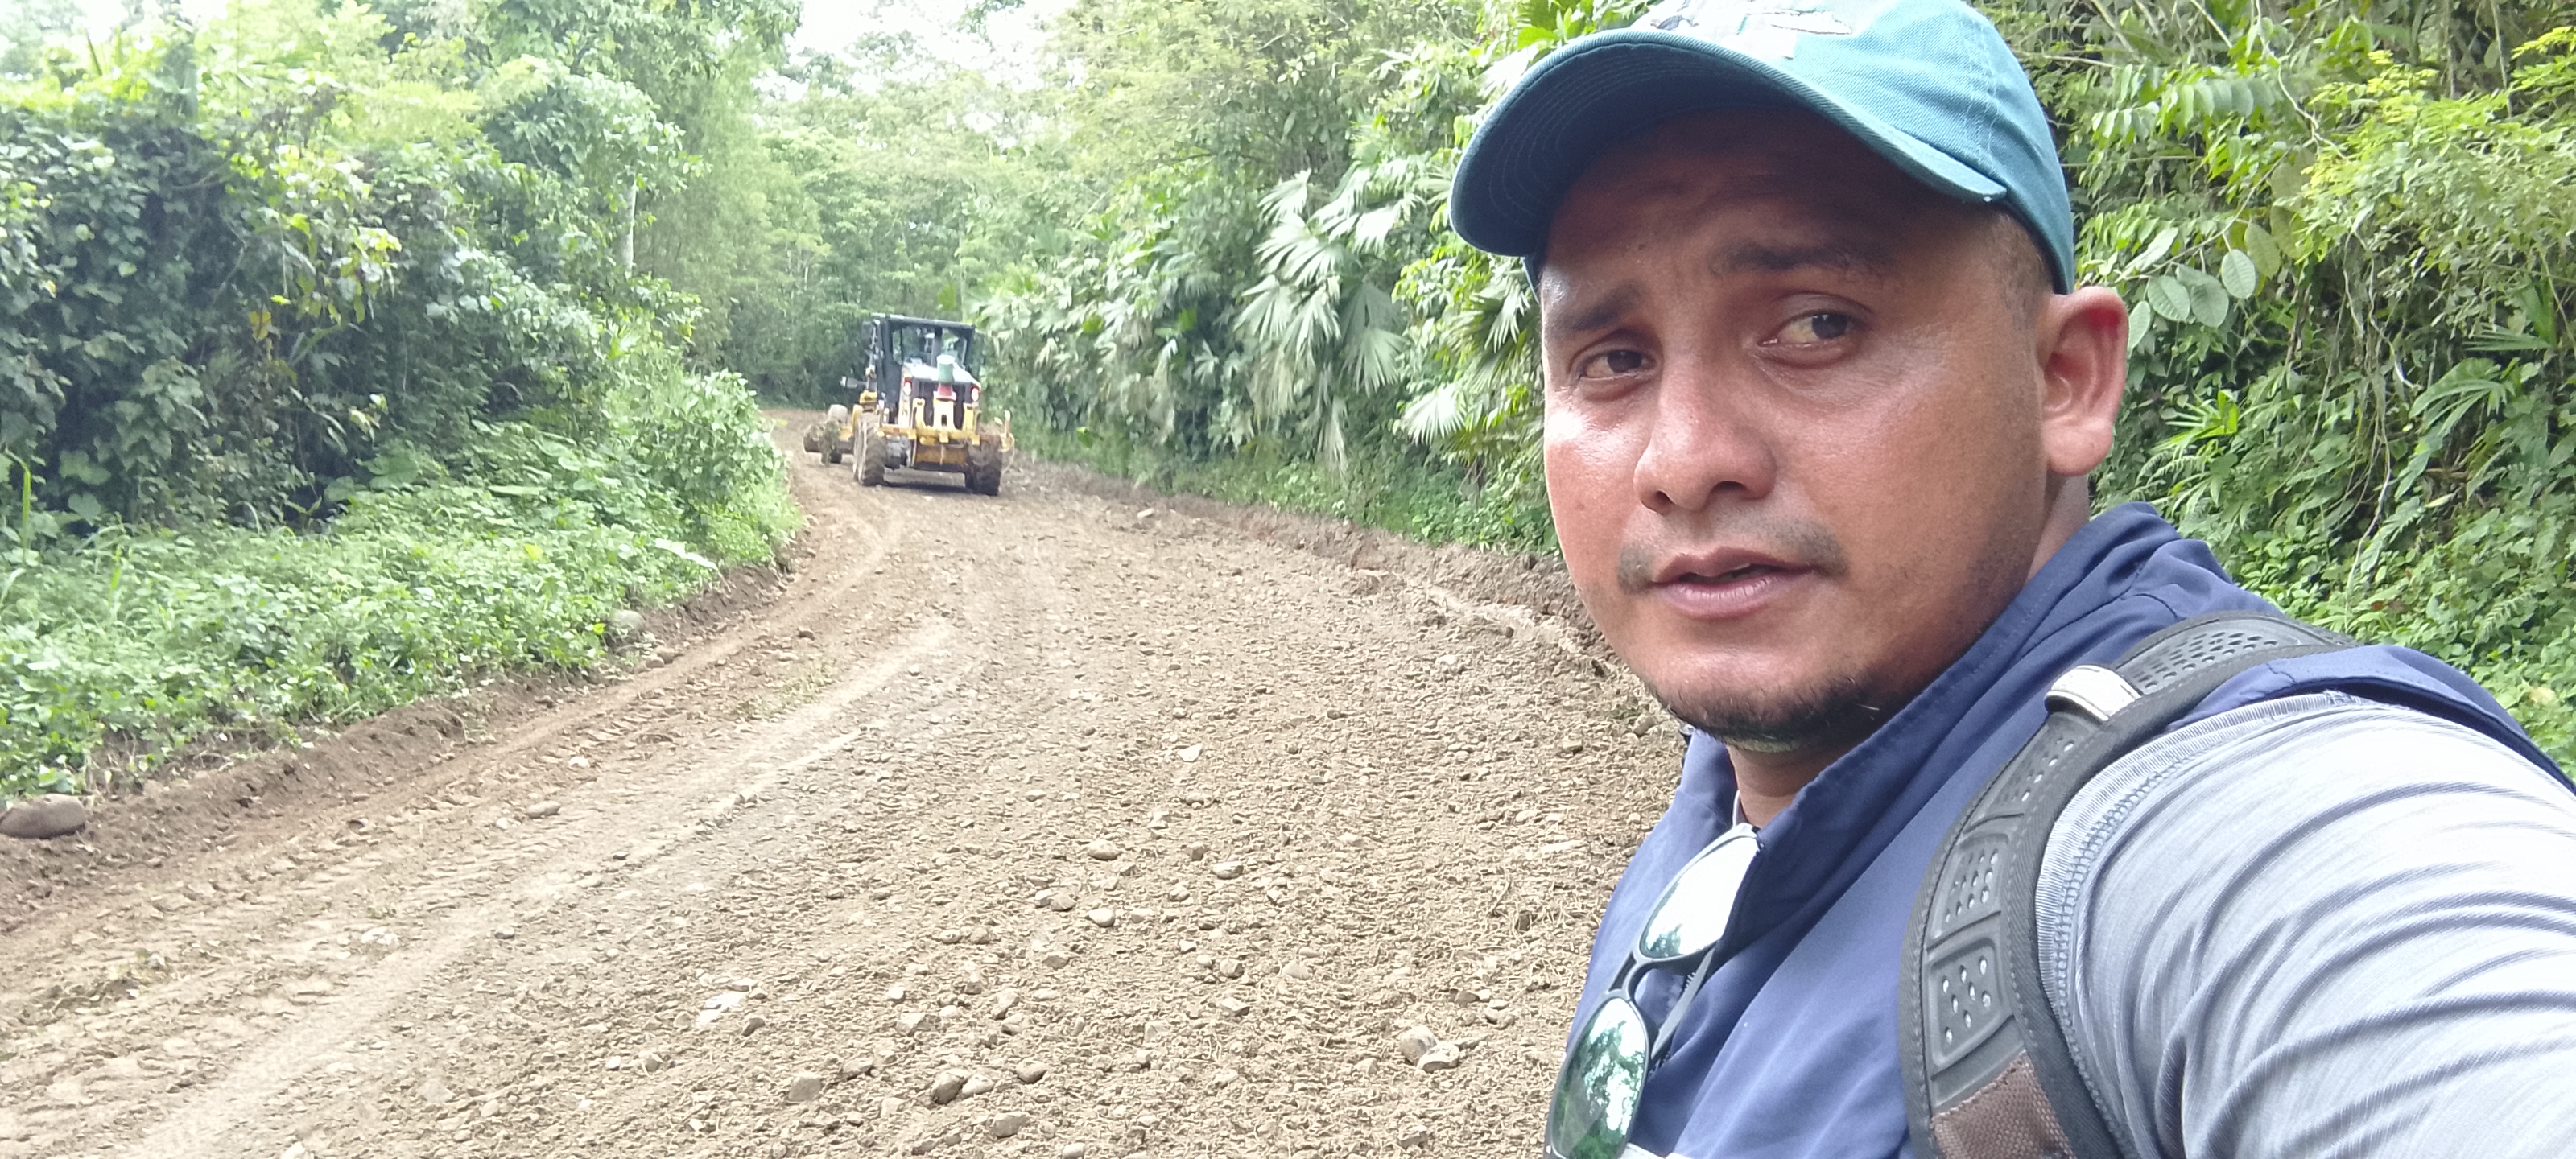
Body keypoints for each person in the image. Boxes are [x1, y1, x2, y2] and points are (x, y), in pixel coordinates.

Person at [1443, 0, 2576, 1156]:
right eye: (1614, 358)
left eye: (1818, 325)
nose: (1683, 462)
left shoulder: (2239, 836)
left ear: (2064, 380)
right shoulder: (1742, 785)